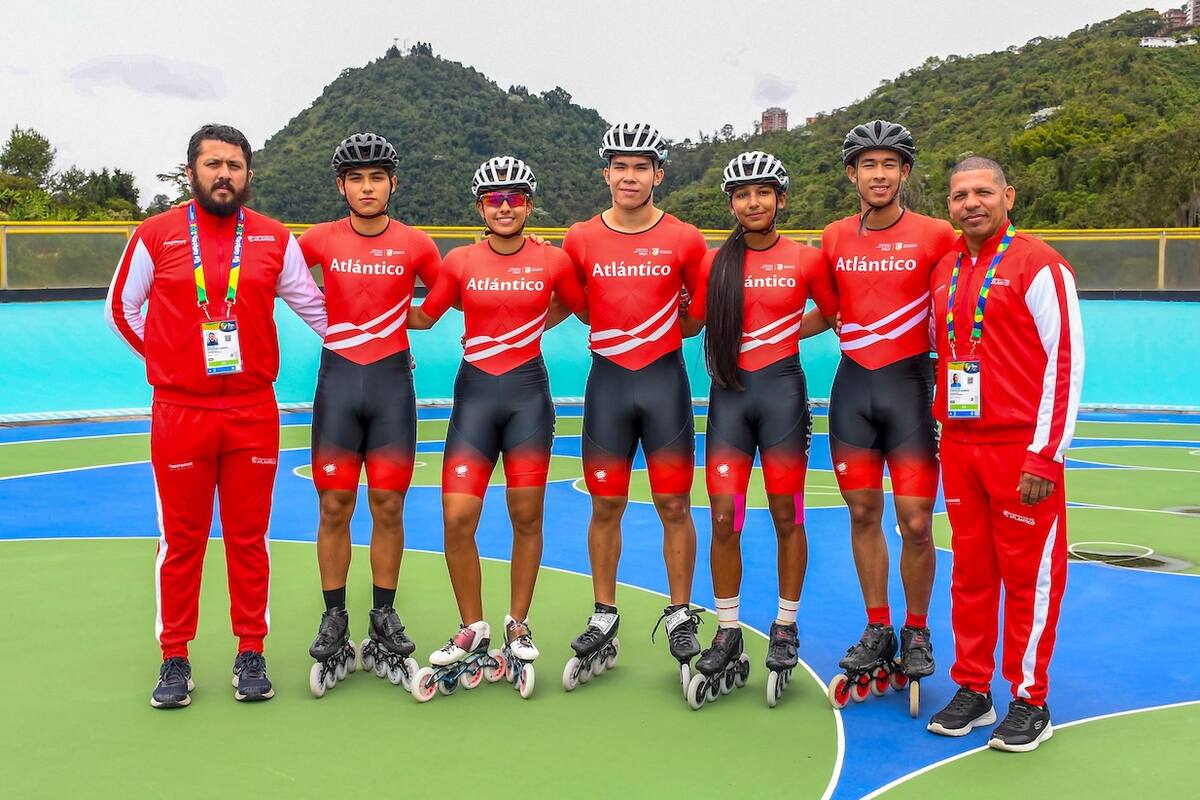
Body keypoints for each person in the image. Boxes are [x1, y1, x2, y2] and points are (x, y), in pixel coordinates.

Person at [105, 123, 327, 708]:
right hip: (180, 410)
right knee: (182, 541)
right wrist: (170, 361)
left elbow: (317, 310)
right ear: (191, 172)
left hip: (253, 410)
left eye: (234, 165)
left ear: (249, 175)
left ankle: (249, 650)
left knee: (249, 539)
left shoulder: (277, 239)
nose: (224, 174)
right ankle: (174, 657)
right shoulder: (155, 235)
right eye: (213, 164)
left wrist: (373, 346)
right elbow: (122, 309)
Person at [406, 156, 586, 699]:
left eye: (514, 199)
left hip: (529, 397)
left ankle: (517, 624)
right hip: (475, 399)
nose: (504, 207)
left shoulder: (553, 261)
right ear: (481, 207)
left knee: (524, 513)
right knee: (458, 516)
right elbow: (423, 315)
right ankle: (473, 626)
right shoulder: (458, 260)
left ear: (529, 205)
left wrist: (528, 327)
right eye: (494, 199)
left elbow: (582, 309)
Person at [926, 156, 1082, 752]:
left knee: (1030, 578)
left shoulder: (1040, 264)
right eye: (961, 194)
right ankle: (972, 687)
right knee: (970, 574)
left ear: (1008, 196)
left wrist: (1046, 454)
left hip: (1021, 450)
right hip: (961, 446)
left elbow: (1066, 362)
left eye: (983, 191)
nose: (972, 202)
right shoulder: (945, 269)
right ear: (950, 205)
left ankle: (1029, 696)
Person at [683, 151, 838, 709]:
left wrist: (785, 334)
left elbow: (834, 312)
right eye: (743, 194)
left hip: (783, 400)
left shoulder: (807, 258)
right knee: (724, 516)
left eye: (763, 193)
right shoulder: (712, 262)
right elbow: (691, 320)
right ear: (731, 203)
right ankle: (727, 629)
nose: (753, 202)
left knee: (786, 514)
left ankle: (786, 625)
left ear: (781, 199)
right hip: (729, 400)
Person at [560, 122, 709, 690]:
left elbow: (695, 316)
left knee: (675, 506)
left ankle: (679, 613)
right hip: (608, 387)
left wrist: (659, 334)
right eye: (620, 166)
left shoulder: (686, 239)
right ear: (606, 174)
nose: (629, 175)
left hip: (665, 384)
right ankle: (604, 612)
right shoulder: (579, 238)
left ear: (658, 175)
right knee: (605, 508)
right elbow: (577, 305)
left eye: (640, 166)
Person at [818, 120, 958, 709]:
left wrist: (964, 396)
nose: (879, 174)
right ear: (852, 174)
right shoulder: (832, 237)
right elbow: (827, 314)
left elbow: (961, 312)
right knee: (862, 513)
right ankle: (878, 626)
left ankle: (917, 629)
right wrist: (747, 345)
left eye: (890, 164)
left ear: (904, 173)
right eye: (867, 164)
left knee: (918, 523)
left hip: (910, 388)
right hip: (853, 388)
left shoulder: (937, 234)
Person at [296, 133, 442, 695]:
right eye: (355, 179)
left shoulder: (416, 244)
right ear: (341, 186)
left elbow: (442, 298)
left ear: (392, 184)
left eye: (376, 177)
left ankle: (383, 612)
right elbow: (276, 275)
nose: (366, 187)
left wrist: (415, 321)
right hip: (337, 384)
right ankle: (335, 615)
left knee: (388, 504)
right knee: (334, 504)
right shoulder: (318, 240)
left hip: (391, 387)